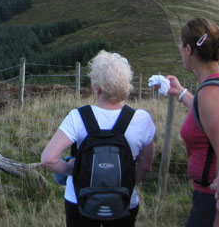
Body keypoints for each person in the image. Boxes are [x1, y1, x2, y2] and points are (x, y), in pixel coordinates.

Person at [41, 50, 155, 226]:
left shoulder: (77, 117)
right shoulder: (141, 119)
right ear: (126, 86)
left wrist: (75, 170)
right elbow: (145, 165)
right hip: (124, 202)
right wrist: (125, 183)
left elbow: (48, 159)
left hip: (79, 200)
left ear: (97, 87)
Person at [166, 17, 219, 227]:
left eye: (180, 46)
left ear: (188, 49)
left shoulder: (211, 93)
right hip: (216, 196)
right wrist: (181, 93)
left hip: (213, 200)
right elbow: (212, 117)